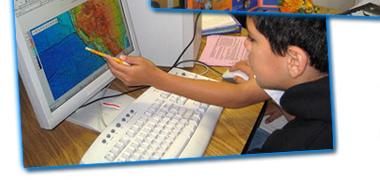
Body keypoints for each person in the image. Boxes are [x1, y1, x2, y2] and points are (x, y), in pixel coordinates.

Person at [106, 15, 332, 154]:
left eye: (252, 39)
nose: (245, 44)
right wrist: (278, 91)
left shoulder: (298, 145)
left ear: (294, 61)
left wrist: (154, 77)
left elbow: (240, 96)